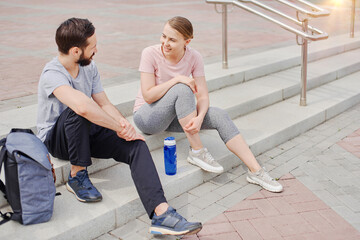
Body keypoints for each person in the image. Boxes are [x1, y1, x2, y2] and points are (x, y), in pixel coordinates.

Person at [36, 17, 202, 236]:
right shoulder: (52, 74)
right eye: (92, 47)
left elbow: (103, 103)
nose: (97, 50)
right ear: (76, 51)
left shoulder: (89, 66)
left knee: (136, 144)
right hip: (57, 140)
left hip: (85, 130)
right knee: (77, 110)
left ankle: (161, 214)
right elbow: (83, 107)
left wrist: (123, 125)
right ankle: (77, 175)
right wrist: (115, 125)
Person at [133, 16, 283, 193]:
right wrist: (178, 79)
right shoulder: (150, 53)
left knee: (219, 114)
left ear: (186, 41)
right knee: (182, 87)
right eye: (163, 36)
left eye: (172, 39)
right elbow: (148, 95)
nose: (165, 42)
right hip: (147, 117)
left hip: (176, 116)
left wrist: (199, 118)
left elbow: (203, 96)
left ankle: (256, 171)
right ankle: (197, 151)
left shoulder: (194, 57)